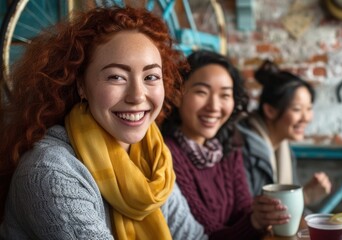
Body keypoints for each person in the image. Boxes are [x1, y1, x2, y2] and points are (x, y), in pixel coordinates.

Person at [0, 7, 207, 240]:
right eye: (116, 77)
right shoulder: (50, 172)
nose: (137, 96)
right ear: (81, 85)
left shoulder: (152, 157)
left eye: (151, 77)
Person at [161, 50, 290, 240]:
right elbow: (206, 235)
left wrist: (261, 214)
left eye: (225, 95)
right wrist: (254, 223)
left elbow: (243, 210)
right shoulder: (166, 155)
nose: (214, 106)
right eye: (202, 92)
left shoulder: (227, 146)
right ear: (177, 95)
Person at [236, 60, 332, 206]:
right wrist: (304, 197)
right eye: (297, 109)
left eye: (309, 108)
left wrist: (304, 197)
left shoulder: (284, 149)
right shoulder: (242, 148)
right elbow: (248, 213)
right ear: (270, 111)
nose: (306, 118)